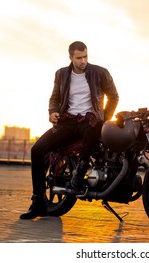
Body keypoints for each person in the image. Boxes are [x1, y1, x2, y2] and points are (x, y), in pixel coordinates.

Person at [20, 41, 119, 220]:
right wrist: (52, 112)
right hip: (67, 122)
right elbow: (55, 98)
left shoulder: (100, 72)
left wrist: (105, 118)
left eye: (85, 57)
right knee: (37, 149)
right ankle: (38, 202)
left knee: (94, 124)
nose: (83, 61)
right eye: (79, 58)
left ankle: (80, 172)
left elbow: (114, 96)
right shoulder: (62, 74)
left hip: (91, 121)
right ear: (71, 57)